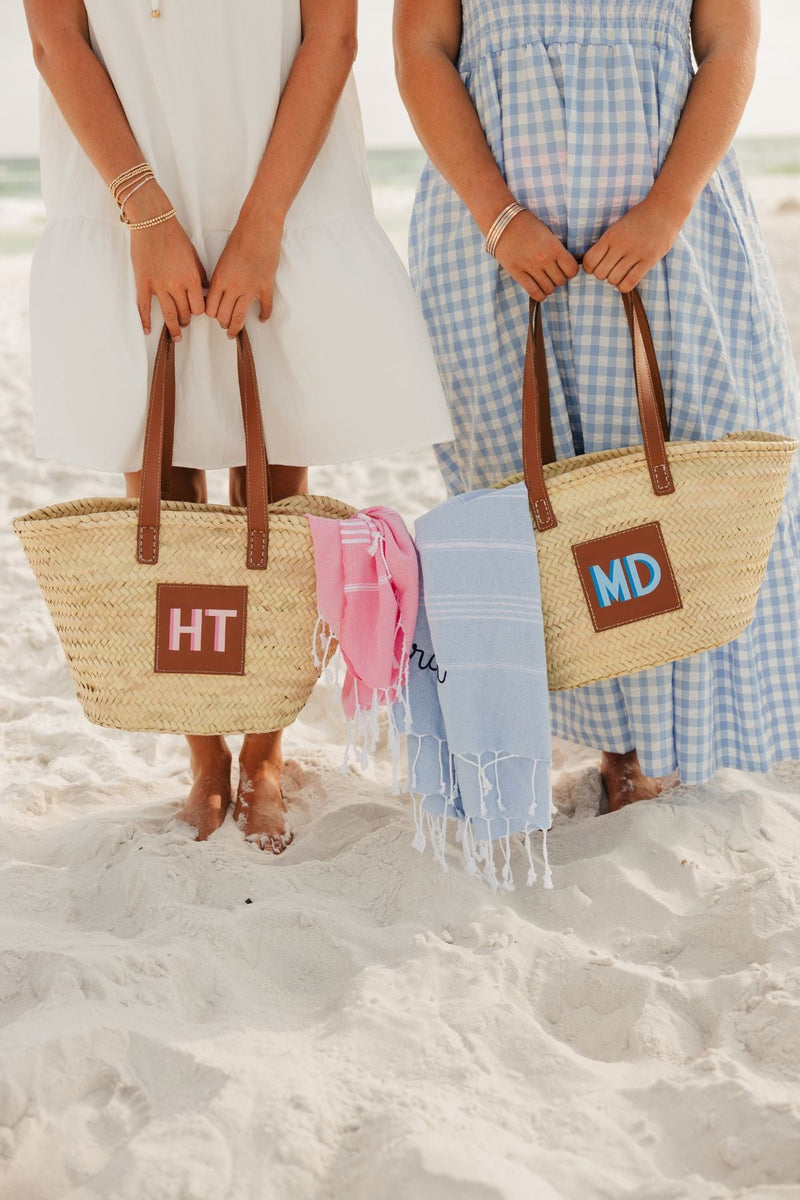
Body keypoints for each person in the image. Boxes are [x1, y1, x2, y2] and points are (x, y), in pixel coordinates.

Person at [23, 0, 453, 851]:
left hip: (280, 180)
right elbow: (55, 36)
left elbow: (332, 36)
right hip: (128, 183)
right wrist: (144, 214)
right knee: (159, 467)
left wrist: (263, 224)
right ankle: (203, 750)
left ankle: (263, 747)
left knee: (273, 471)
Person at [394, 0, 800, 811]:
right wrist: (496, 213)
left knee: (673, 475)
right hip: (494, 238)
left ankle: (657, 741)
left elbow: (729, 44)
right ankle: (600, 738)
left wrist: (668, 208)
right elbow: (423, 47)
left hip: (667, 230)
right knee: (527, 488)